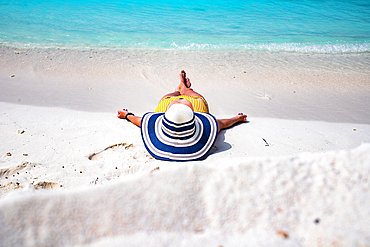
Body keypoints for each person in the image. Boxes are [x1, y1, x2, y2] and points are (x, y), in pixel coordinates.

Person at [117, 70, 247, 161]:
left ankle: (179, 89)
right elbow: (223, 123)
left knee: (167, 98)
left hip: (168, 109)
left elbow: (138, 120)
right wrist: (236, 119)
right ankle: (184, 89)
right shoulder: (200, 120)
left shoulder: (164, 115)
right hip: (187, 110)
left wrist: (127, 115)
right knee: (193, 97)